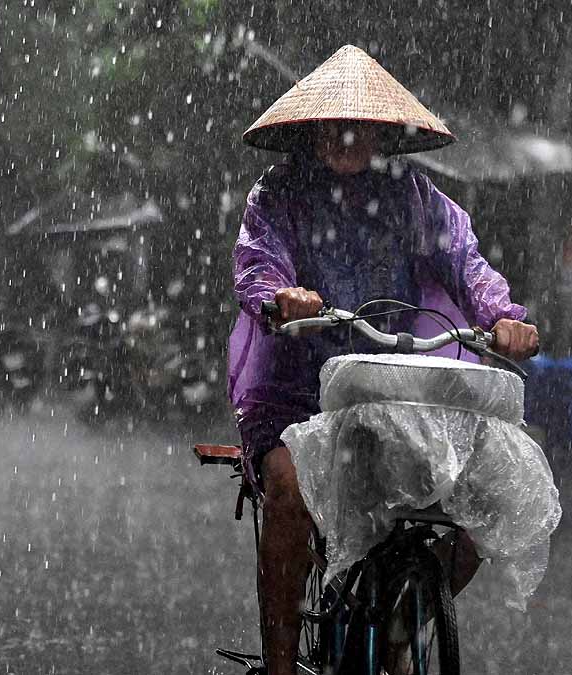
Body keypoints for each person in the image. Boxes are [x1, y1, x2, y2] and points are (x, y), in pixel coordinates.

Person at [227, 45, 538, 675]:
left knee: (479, 490)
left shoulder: (415, 199)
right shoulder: (278, 196)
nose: (347, 137)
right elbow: (260, 266)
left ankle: (402, 620)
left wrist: (502, 316)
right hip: (296, 394)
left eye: (361, 125)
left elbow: (467, 263)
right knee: (288, 487)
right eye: (335, 125)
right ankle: (282, 666)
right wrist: (280, 297)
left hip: (386, 386)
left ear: (383, 133)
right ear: (311, 130)